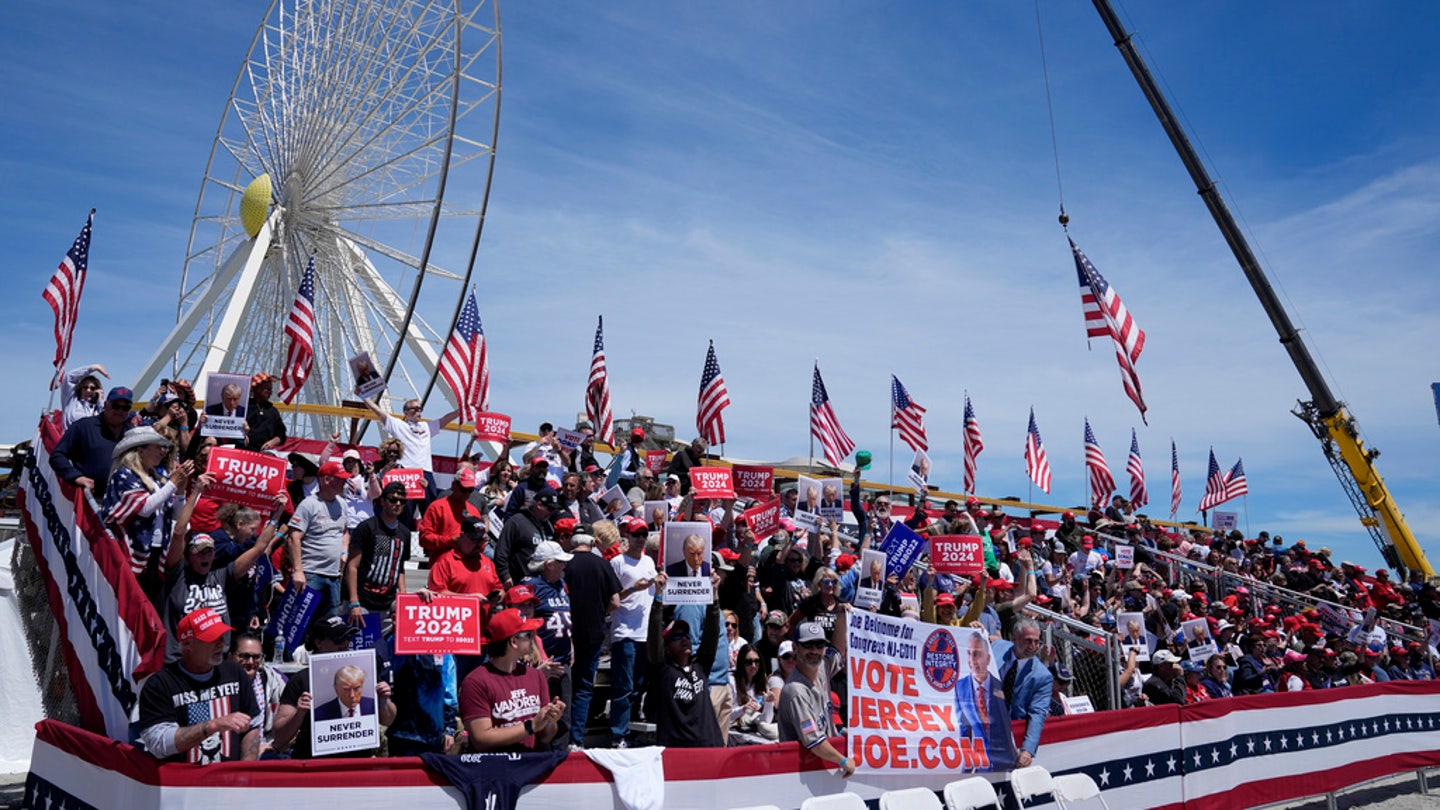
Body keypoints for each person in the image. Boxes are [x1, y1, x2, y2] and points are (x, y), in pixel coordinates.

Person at [137, 608, 261, 763]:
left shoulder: (234, 672)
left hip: (230, 782)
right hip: (181, 783)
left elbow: (253, 725)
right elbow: (158, 744)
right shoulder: (161, 684)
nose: (221, 644)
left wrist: (245, 772)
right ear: (187, 644)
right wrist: (214, 725)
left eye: (222, 636)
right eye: (212, 638)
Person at [272, 617, 396, 758]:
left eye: (347, 638)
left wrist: (383, 701)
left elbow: (388, 720)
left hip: (357, 764)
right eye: (338, 640)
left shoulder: (365, 674)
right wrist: (299, 714)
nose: (344, 644)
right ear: (319, 643)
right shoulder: (300, 680)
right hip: (314, 764)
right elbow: (280, 737)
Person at [102, 426, 193, 601]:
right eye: (157, 447)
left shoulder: (158, 480)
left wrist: (180, 492)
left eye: (164, 447)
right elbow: (144, 508)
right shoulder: (124, 475)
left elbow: (175, 515)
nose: (163, 451)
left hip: (156, 551)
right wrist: (173, 483)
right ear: (141, 450)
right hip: (134, 550)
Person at [460, 608, 566, 752]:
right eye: (528, 634)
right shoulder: (475, 682)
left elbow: (545, 737)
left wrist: (550, 720)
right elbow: (481, 739)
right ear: (514, 642)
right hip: (495, 769)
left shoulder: (536, 676)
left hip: (531, 766)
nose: (534, 638)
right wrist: (531, 725)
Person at [646, 573, 724, 748]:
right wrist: (658, 597)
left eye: (686, 636)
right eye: (676, 637)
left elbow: (711, 632)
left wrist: (714, 593)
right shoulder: (663, 671)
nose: (684, 639)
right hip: (677, 751)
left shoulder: (701, 665)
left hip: (708, 745)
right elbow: (653, 637)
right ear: (666, 647)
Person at [563, 528, 620, 749]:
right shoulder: (602, 564)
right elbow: (615, 602)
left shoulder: (564, 563)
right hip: (593, 632)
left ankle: (559, 738)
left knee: (562, 685)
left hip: (565, 633)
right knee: (584, 686)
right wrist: (600, 613)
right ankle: (575, 739)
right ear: (592, 541)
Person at [777, 621, 853, 776]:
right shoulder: (795, 691)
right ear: (795, 648)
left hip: (821, 765)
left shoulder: (821, 669)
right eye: (807, 645)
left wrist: (841, 615)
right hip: (799, 771)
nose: (814, 650)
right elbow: (814, 741)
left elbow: (837, 651)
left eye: (819, 645)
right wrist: (844, 761)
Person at [609, 517, 657, 746]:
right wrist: (632, 588)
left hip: (645, 633)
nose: (640, 539)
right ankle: (618, 734)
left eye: (643, 534)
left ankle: (632, 728)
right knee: (624, 687)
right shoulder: (617, 562)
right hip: (625, 632)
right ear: (627, 536)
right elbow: (610, 599)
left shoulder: (649, 561)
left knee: (639, 685)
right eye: (636, 534)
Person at [362, 394, 461, 506]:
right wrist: (364, 398)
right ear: (406, 412)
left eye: (420, 409)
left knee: (430, 507)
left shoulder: (427, 426)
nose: (418, 412)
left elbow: (445, 419)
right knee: (405, 510)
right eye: (415, 409)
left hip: (425, 472)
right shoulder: (399, 425)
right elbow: (379, 412)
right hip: (406, 472)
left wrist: (461, 410)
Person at [287, 461, 353, 623]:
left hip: (334, 576)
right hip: (311, 574)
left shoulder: (342, 504)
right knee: (299, 622)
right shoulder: (309, 504)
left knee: (329, 624)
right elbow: (293, 537)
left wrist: (344, 551)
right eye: (340, 479)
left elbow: (344, 531)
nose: (344, 482)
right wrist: (298, 571)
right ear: (326, 480)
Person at [524, 540, 574, 747]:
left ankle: (561, 752)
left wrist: (572, 645)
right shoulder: (531, 585)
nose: (564, 566)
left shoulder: (561, 584)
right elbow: (522, 619)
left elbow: (566, 616)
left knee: (563, 710)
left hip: (563, 658)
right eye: (560, 562)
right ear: (548, 564)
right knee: (542, 710)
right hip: (542, 661)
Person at [345, 481, 411, 623]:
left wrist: (403, 596)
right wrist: (354, 601)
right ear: (383, 501)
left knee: (382, 645)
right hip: (363, 602)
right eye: (393, 499)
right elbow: (352, 566)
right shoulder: (367, 527)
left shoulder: (405, 533)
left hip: (387, 604)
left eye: (402, 500)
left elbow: (400, 567)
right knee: (358, 644)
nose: (398, 503)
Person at [992, 616, 1052, 768]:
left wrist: (1028, 750)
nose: (1033, 646)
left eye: (1037, 641)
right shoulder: (997, 647)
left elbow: (1038, 714)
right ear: (1014, 639)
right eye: (1028, 640)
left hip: (1009, 730)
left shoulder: (1042, 676)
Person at [51, 385, 133, 496]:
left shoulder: (134, 433)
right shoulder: (82, 427)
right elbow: (57, 455)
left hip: (126, 503)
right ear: (105, 405)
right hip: (92, 503)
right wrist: (76, 477)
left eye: (125, 408)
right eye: (116, 406)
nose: (120, 411)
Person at [954, 631, 1017, 771]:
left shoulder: (1001, 685)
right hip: (980, 766)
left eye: (976, 654)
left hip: (1006, 763)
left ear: (988, 659)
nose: (972, 660)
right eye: (969, 654)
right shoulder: (960, 687)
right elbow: (964, 730)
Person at [230, 631, 286, 752]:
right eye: (244, 656)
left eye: (256, 657)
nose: (250, 662)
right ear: (231, 656)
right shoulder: (220, 682)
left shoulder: (273, 680)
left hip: (265, 746)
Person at [494, 488, 557, 588]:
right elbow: (501, 551)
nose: (551, 513)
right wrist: (505, 575)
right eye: (550, 509)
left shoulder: (549, 527)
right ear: (539, 505)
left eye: (554, 510)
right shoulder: (517, 521)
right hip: (519, 584)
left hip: (542, 586)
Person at [418, 467, 482, 560]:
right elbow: (424, 539)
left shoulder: (474, 511)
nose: (467, 494)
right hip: (442, 566)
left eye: (470, 490)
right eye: (464, 489)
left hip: (466, 567)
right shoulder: (437, 507)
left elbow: (481, 543)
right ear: (453, 485)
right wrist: (450, 540)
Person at [243, 374, 287, 452]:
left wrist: (275, 441)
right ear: (256, 388)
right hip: (243, 448)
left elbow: (281, 431)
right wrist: (240, 435)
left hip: (263, 452)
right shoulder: (244, 406)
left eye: (270, 389)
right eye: (267, 389)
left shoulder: (273, 411)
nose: (270, 392)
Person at [59, 363, 108, 429]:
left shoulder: (98, 409)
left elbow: (106, 425)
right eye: (85, 387)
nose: (88, 390)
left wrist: (100, 402)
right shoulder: (71, 401)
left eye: (92, 388)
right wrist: (93, 368)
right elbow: (69, 377)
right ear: (80, 389)